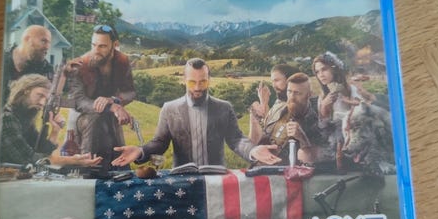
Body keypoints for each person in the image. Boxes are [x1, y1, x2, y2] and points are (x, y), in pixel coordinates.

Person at [111, 58, 281, 168]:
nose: (198, 87)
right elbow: (160, 143)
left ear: (209, 80)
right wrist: (140, 151)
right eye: (192, 82)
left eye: (203, 82)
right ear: (184, 80)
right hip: (183, 182)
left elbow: (236, 140)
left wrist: (253, 150)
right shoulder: (169, 109)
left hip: (216, 181)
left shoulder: (224, 108)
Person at [68, 25, 136, 167]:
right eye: (93, 45)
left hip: (110, 118)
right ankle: (88, 170)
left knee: (119, 165)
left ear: (115, 45)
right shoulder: (80, 65)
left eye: (102, 46)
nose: (96, 51)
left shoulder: (122, 60)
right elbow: (79, 100)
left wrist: (113, 100)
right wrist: (111, 107)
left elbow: (130, 91)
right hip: (82, 117)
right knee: (95, 121)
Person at [0, 74, 102, 167]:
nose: (43, 103)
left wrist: (55, 131)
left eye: (46, 99)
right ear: (26, 90)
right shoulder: (7, 119)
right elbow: (29, 158)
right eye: (40, 95)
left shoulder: (24, 120)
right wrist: (72, 161)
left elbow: (41, 152)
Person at [312, 51, 366, 171]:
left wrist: (348, 102)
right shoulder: (323, 96)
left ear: (334, 69)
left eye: (324, 69)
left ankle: (343, 157)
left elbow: (361, 109)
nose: (321, 75)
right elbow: (323, 124)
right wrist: (324, 106)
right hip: (331, 133)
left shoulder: (350, 89)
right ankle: (338, 157)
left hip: (350, 129)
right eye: (317, 72)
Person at [258, 72, 322, 165]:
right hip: (261, 166)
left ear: (309, 95)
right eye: (289, 91)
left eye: (297, 93)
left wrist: (302, 139)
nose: (292, 97)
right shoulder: (279, 109)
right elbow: (263, 135)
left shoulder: (316, 122)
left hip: (287, 171)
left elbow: (315, 160)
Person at [249, 63, 299, 144]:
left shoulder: (295, 106)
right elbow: (269, 125)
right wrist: (264, 102)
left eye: (277, 80)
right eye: (272, 81)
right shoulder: (279, 101)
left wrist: (257, 117)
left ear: (290, 80)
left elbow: (270, 135)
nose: (273, 85)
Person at [1, 25, 53, 101]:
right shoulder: (1, 61)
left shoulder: (46, 69)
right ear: (27, 39)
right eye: (43, 41)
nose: (47, 47)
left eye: (49, 43)